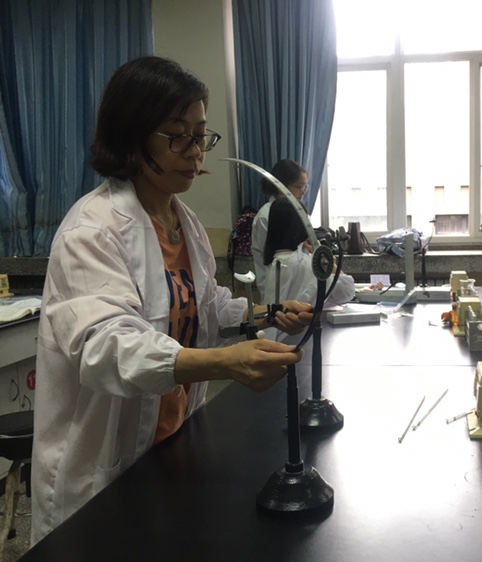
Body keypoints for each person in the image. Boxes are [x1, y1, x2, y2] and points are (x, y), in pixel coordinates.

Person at [30, 56, 314, 544]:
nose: (195, 152)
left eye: (201, 136)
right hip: (99, 474)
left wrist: (266, 313)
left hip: (168, 446)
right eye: (177, 136)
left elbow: (205, 308)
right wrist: (225, 364)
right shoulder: (92, 230)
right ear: (131, 136)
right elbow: (108, 348)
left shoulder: (185, 223)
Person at [263, 198, 355, 342]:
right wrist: (330, 264)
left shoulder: (276, 259)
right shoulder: (302, 262)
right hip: (298, 339)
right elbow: (346, 292)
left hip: (277, 340)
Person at [251, 159, 309, 303]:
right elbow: (275, 258)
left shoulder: (297, 212)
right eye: (299, 187)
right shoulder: (266, 215)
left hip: (298, 286)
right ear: (281, 186)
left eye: (305, 187)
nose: (303, 192)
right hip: (277, 288)